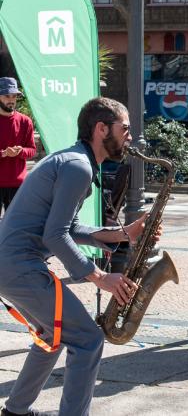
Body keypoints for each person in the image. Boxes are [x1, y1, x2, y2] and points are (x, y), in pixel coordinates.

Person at [0, 97, 155, 416]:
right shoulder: (78, 166)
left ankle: (15, 411)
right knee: (87, 340)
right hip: (19, 266)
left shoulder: (74, 161)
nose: (130, 136)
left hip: (12, 265)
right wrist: (99, 277)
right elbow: (54, 236)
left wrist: (127, 233)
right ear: (101, 129)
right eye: (125, 128)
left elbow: (67, 227)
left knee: (51, 335)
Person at [0, 77, 35, 218]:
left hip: (17, 184)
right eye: (7, 96)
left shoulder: (25, 121)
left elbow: (31, 150)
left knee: (14, 227)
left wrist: (21, 152)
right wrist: (3, 154)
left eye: (14, 96)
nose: (11, 100)